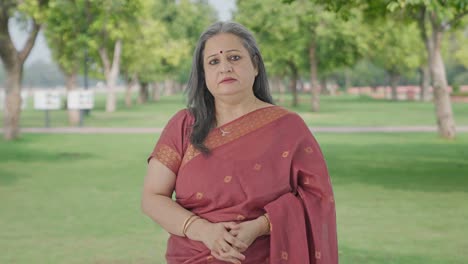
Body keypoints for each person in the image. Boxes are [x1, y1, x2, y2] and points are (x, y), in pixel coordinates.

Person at [141, 21, 338, 264]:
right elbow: (152, 197)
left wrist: (259, 226)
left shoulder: (288, 127)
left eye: (234, 58)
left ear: (255, 65)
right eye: (213, 61)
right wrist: (203, 230)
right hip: (191, 256)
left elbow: (315, 198)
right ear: (204, 75)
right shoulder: (184, 125)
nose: (224, 67)